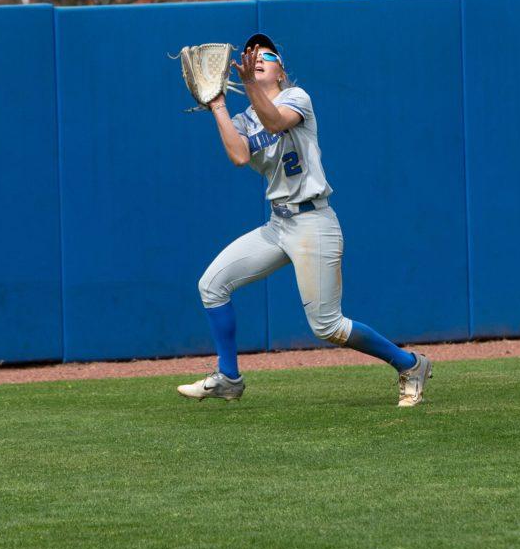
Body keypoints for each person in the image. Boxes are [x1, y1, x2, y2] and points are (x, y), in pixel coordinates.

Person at [177, 33, 432, 407]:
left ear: (281, 70)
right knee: (211, 285)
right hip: (278, 226)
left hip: (314, 223)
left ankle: (410, 364)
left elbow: (277, 121)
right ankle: (229, 377)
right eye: (252, 55)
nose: (258, 58)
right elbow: (237, 155)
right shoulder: (245, 118)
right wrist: (217, 105)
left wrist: (248, 84)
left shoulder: (298, 98)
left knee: (327, 326)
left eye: (266, 54)